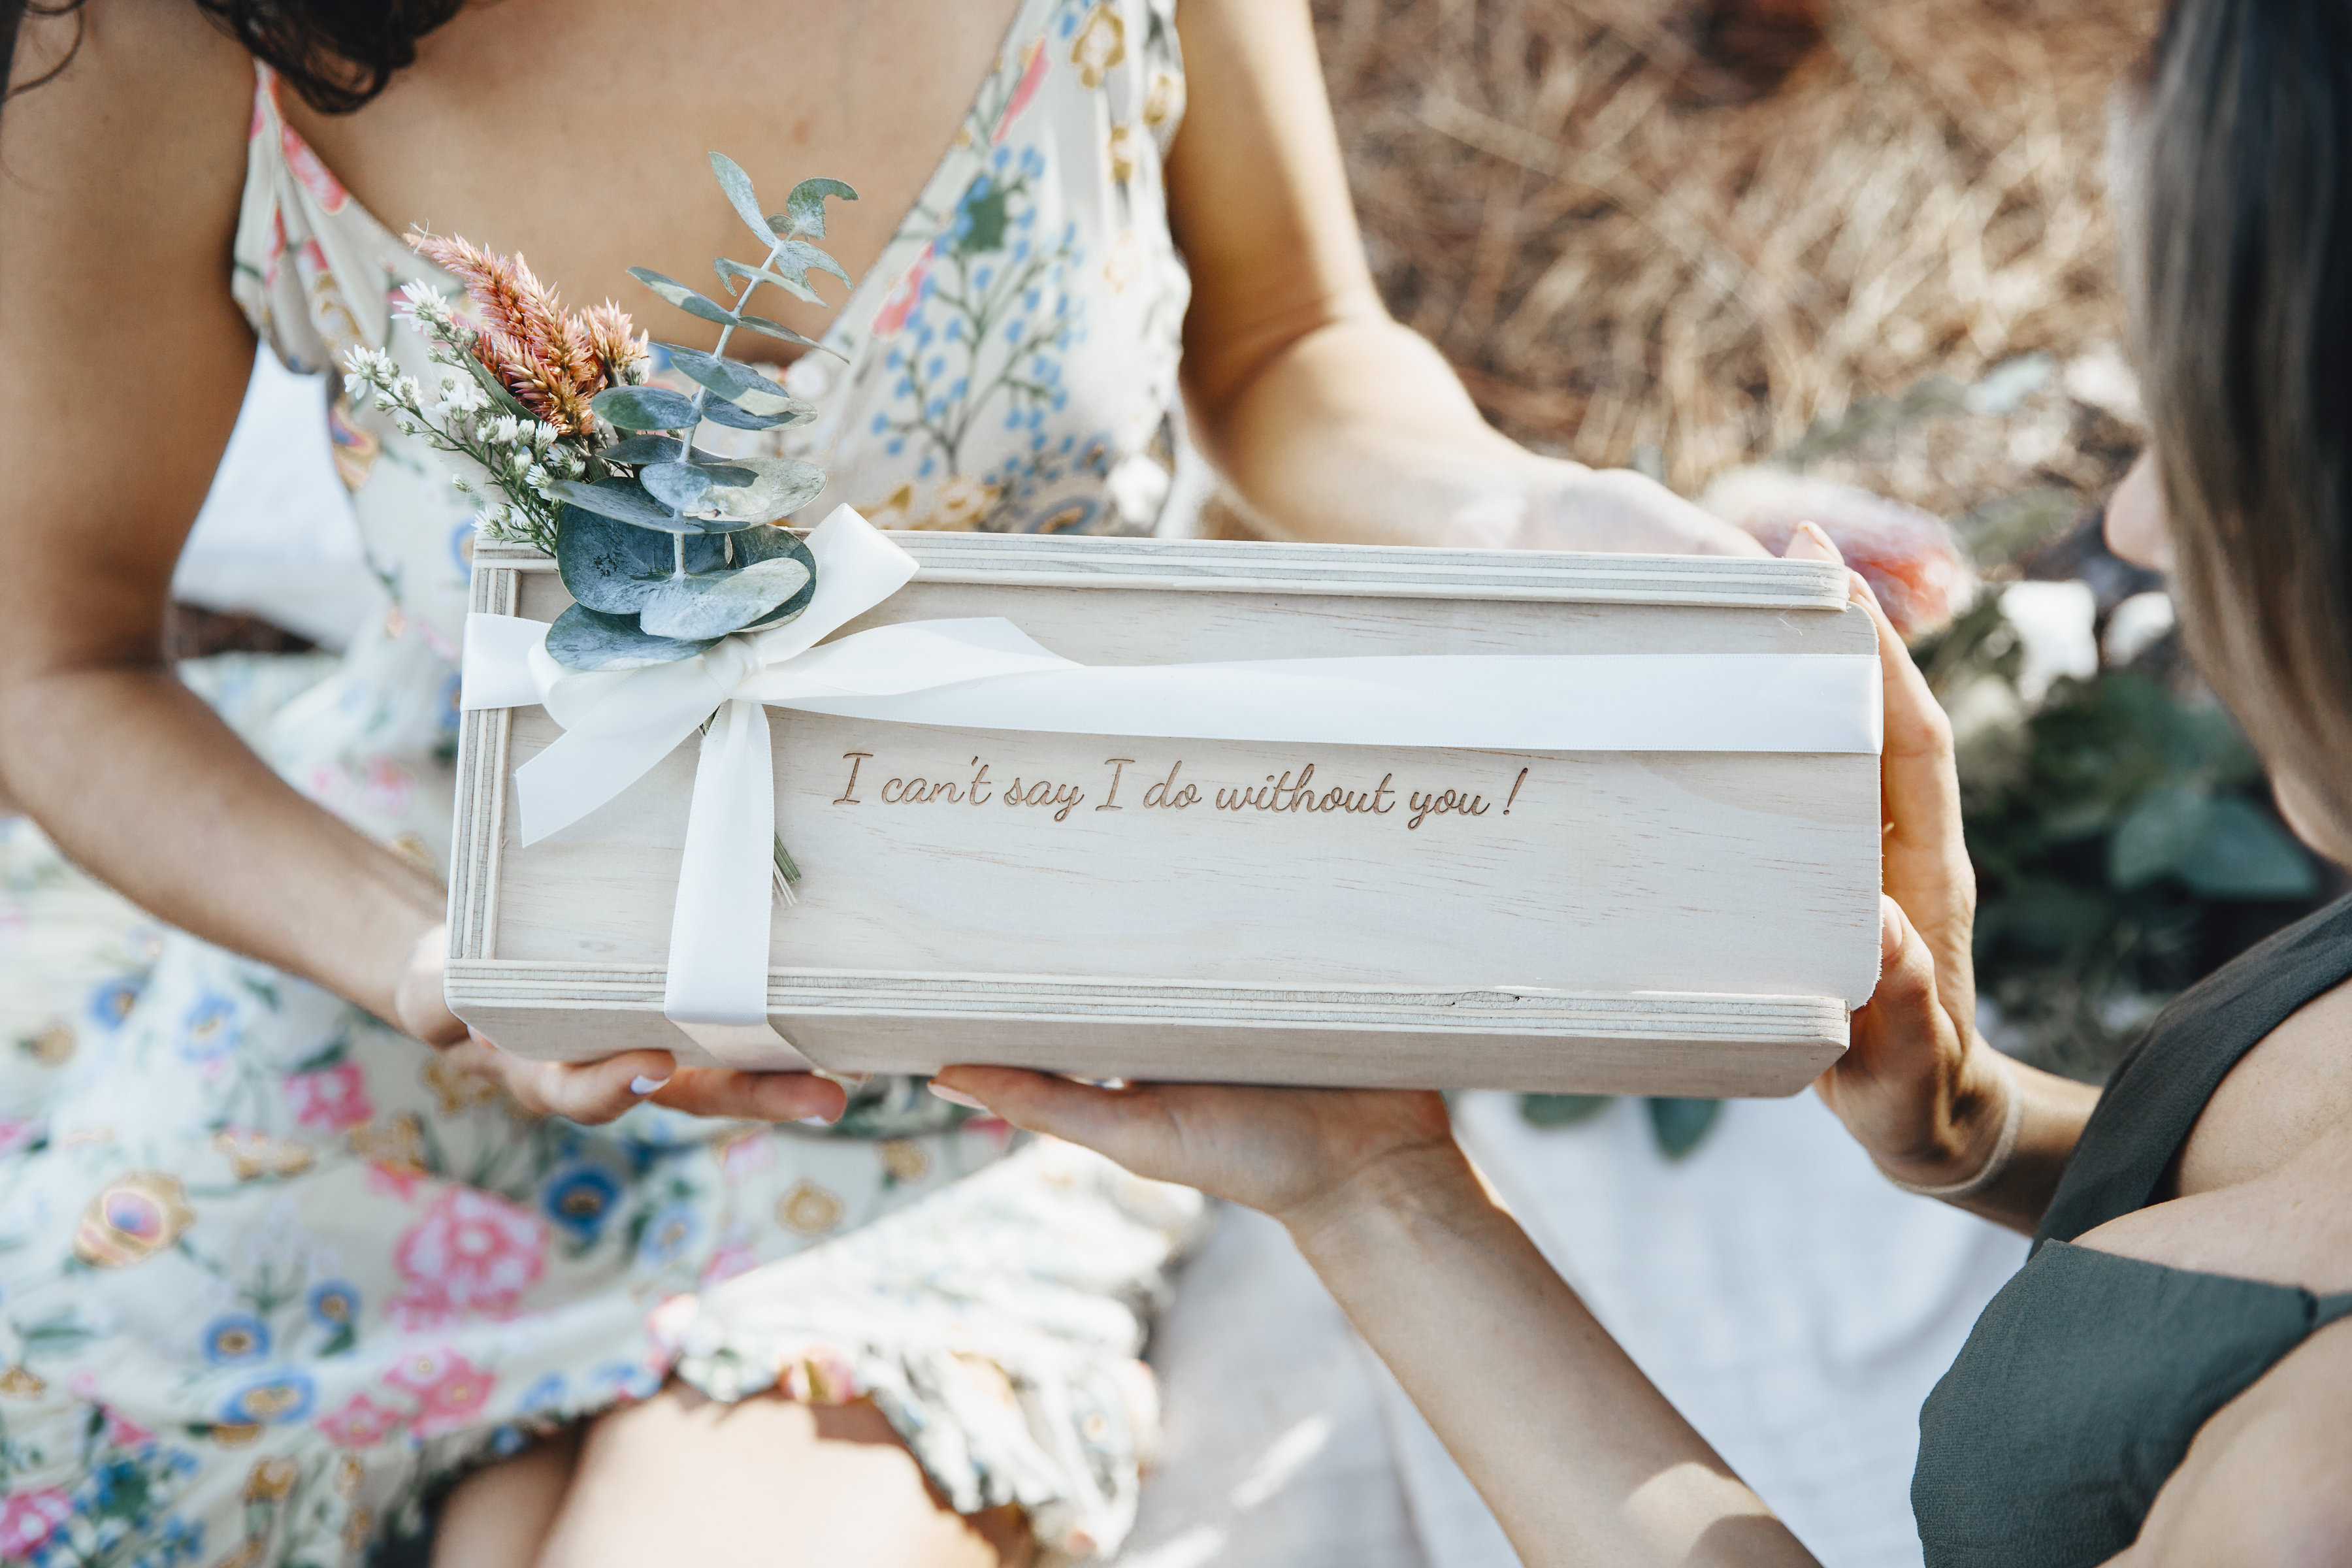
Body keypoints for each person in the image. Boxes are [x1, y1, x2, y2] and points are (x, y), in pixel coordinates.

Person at [0, 1, 1765, 1565]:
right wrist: (435, 959)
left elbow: (1289, 347)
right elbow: (53, 667)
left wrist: (1525, 522)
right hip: (446, 970)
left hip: (998, 1030)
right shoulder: (159, 34)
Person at [932, 2, 2352, 1563]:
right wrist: (1973, 1127)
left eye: (2211, 445)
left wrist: (1379, 1189)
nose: (2137, 531)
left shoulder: (2304, 1488)